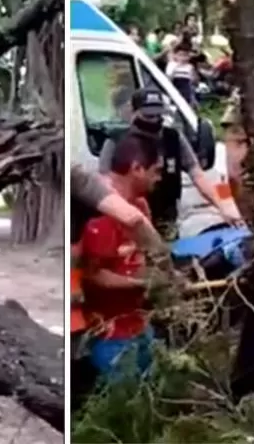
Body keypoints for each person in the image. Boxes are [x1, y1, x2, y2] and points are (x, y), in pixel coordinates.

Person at [98, 87, 244, 241]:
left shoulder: (173, 138)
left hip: (166, 218)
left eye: (157, 114)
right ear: (133, 113)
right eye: (148, 115)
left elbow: (198, 174)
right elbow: (104, 182)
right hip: (126, 216)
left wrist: (224, 208)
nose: (154, 119)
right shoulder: (116, 141)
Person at [81, 134, 163, 382]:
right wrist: (144, 283)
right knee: (122, 399)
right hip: (111, 335)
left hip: (138, 324)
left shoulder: (138, 206)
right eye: (156, 171)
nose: (159, 179)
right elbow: (94, 276)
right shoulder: (102, 214)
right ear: (137, 168)